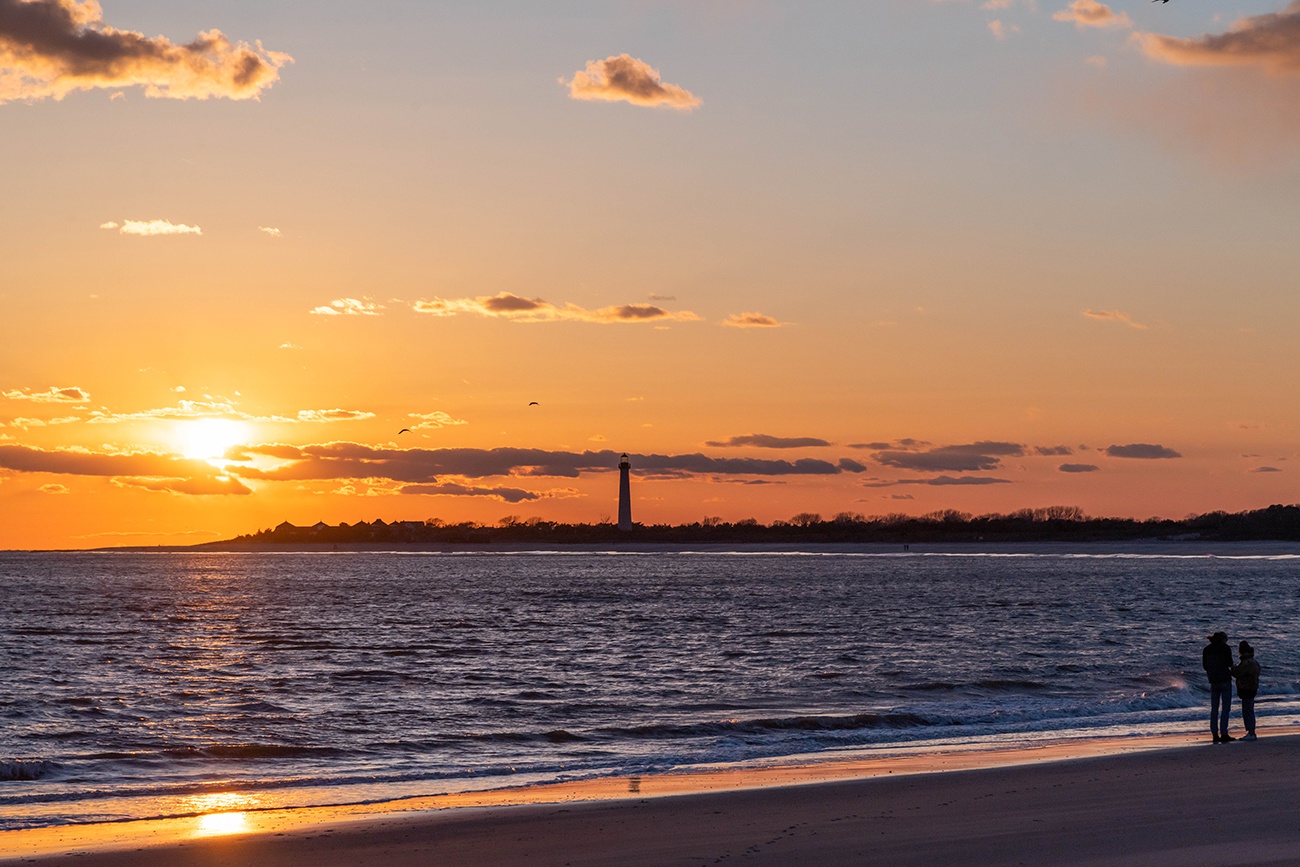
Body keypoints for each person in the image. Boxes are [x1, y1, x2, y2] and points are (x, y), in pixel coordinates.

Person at [1202, 631, 1234, 743]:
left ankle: (1214, 734)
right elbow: (1230, 663)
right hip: (1225, 679)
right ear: (1223, 639)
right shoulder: (1225, 648)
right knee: (1226, 708)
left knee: (1214, 709)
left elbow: (1205, 666)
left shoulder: (1207, 649)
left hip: (1213, 680)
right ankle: (1224, 732)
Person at [1233, 640, 1261, 741]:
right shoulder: (1253, 661)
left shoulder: (1246, 663)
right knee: (1250, 709)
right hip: (1252, 688)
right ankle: (1251, 732)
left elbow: (1237, 673)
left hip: (1246, 688)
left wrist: (1233, 668)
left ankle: (1251, 732)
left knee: (1247, 710)